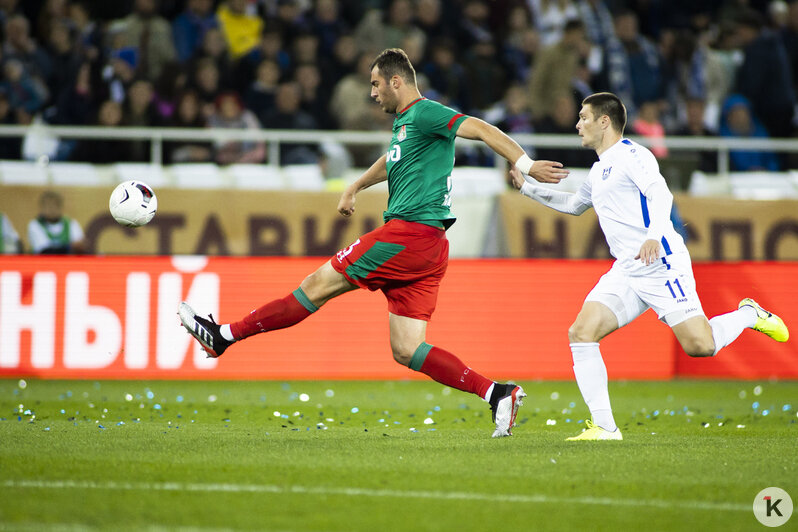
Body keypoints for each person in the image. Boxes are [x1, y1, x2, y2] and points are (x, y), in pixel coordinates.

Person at [179, 48, 569, 438]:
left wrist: (525, 164)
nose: (372, 93)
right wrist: (356, 184)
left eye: (375, 83)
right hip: (429, 245)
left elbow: (483, 129)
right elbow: (392, 159)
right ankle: (497, 393)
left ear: (396, 81)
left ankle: (224, 335)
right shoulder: (406, 124)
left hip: (407, 235)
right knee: (407, 349)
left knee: (316, 286)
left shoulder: (427, 112)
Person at [510, 92, 789, 441]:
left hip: (661, 262)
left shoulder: (632, 155)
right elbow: (575, 205)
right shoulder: (599, 171)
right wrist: (528, 190)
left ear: (604, 121)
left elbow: (661, 193)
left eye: (583, 117)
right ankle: (605, 427)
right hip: (627, 269)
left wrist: (655, 234)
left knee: (700, 346)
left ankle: (749, 314)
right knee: (581, 333)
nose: (577, 123)